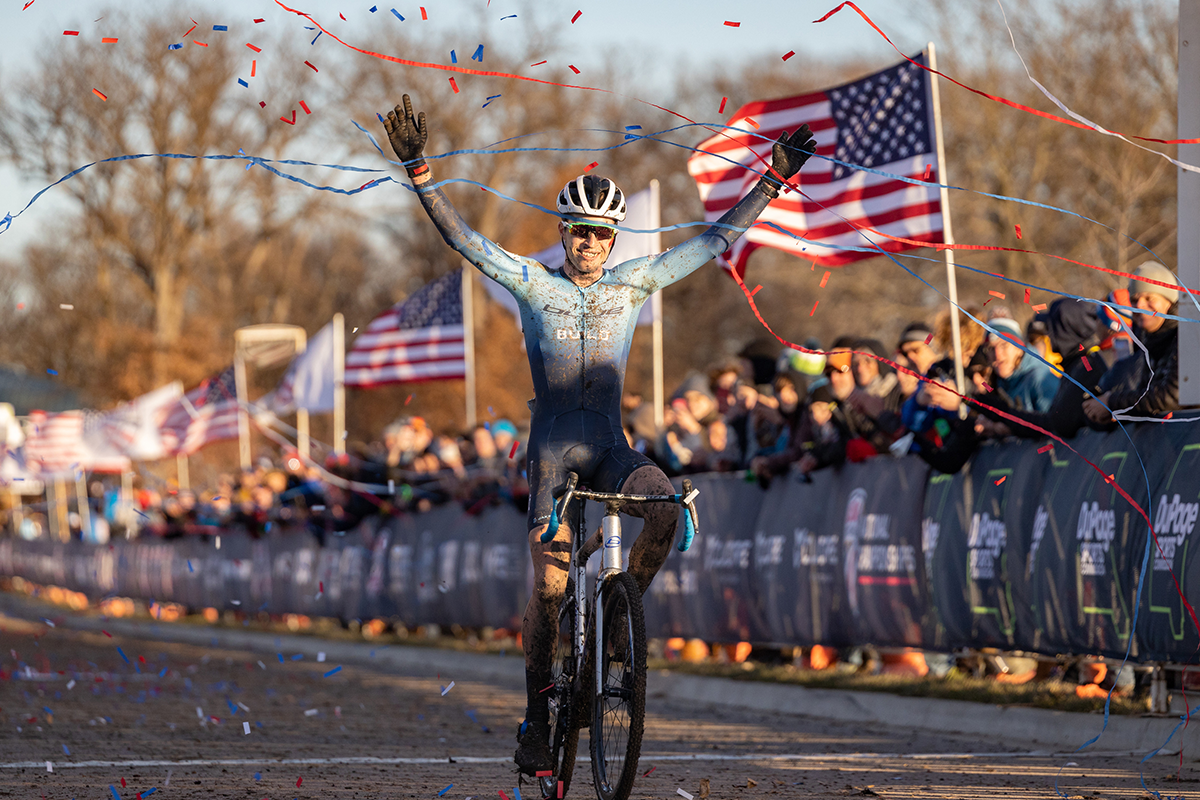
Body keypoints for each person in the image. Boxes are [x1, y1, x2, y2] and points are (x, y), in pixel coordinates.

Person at [383, 93, 817, 775]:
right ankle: (536, 716)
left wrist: (772, 178)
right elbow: (465, 241)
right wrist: (420, 174)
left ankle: (621, 615)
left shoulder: (633, 286)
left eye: (602, 234)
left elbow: (714, 242)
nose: (590, 242)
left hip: (611, 447)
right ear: (563, 232)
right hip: (554, 456)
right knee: (551, 589)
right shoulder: (531, 284)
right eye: (580, 230)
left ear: (615, 241)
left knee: (665, 507)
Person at [1084, 261, 1181, 425]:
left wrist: (1111, 402)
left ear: (1169, 301)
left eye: (1149, 298)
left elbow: (1173, 396)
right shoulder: (1149, 342)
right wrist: (1109, 416)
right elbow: (1147, 396)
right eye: (1135, 301)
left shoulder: (1188, 336)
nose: (1140, 306)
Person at [986, 317, 1059, 413]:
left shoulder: (1041, 379)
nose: (997, 354)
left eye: (1004, 345)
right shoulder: (999, 383)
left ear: (1019, 349)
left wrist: (1006, 427)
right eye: (991, 348)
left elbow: (1052, 425)